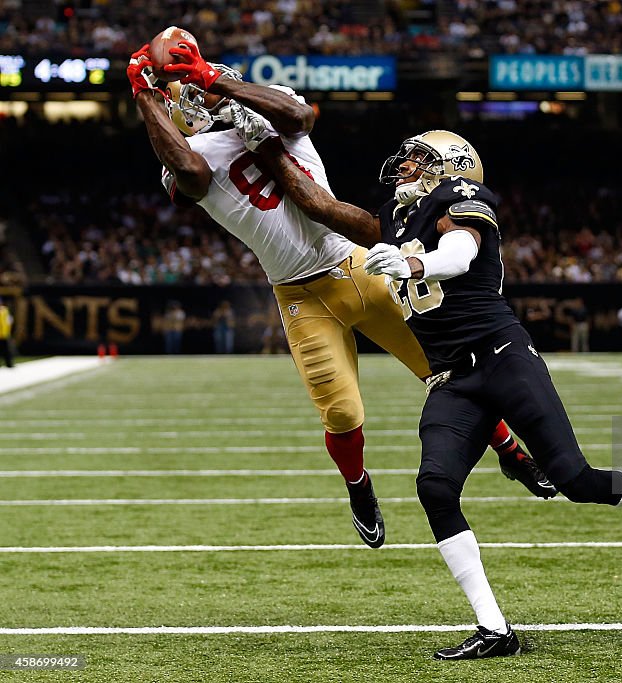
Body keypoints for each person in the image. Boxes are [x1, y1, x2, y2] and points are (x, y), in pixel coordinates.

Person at [245, 125, 622, 659]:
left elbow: (458, 254)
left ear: (448, 168)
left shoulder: (464, 199)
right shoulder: (398, 217)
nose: (405, 165)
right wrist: (267, 150)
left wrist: (413, 262)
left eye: (418, 159)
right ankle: (495, 628)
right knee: (434, 487)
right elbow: (322, 207)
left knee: (577, 479)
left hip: (502, 357)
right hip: (453, 378)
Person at [126, 38, 553, 549]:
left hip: (357, 265)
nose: (197, 95)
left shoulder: (263, 102)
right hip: (299, 297)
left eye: (201, 81)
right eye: (186, 87)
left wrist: (217, 82)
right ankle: (359, 488)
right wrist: (145, 97)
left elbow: (298, 115)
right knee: (343, 413)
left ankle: (512, 453)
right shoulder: (188, 151)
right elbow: (191, 179)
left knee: (450, 370)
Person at [0, 297, 14, 368]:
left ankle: (9, 364)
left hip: (5, 334)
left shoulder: (5, 310)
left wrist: (8, 331)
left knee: (7, 351)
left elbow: (9, 321)